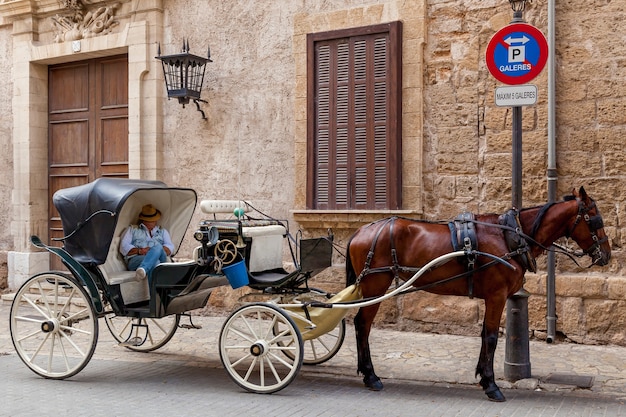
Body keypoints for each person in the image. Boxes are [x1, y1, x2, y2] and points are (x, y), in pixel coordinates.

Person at [119, 204, 174, 283]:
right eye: (150, 220)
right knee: (155, 263)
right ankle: (154, 293)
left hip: (160, 257)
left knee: (158, 247)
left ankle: (143, 269)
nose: (153, 222)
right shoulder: (132, 229)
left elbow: (170, 247)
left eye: (154, 220)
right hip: (137, 259)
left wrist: (154, 251)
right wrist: (140, 251)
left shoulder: (163, 231)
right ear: (143, 220)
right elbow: (123, 247)